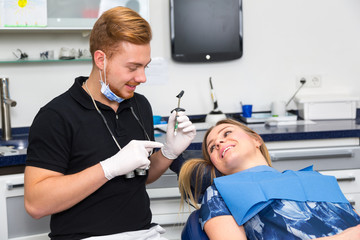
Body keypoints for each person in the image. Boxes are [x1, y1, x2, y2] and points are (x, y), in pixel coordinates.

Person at [24, 6, 196, 240]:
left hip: (143, 233)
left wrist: (168, 151)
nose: (142, 78)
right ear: (101, 59)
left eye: (145, 67)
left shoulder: (139, 106)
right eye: (133, 67)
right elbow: (36, 204)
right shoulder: (56, 116)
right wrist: (108, 169)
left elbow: (142, 176)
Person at [178, 119, 360, 240]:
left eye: (226, 133)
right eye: (212, 148)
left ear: (256, 139)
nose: (218, 143)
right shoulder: (219, 193)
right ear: (216, 165)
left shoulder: (313, 178)